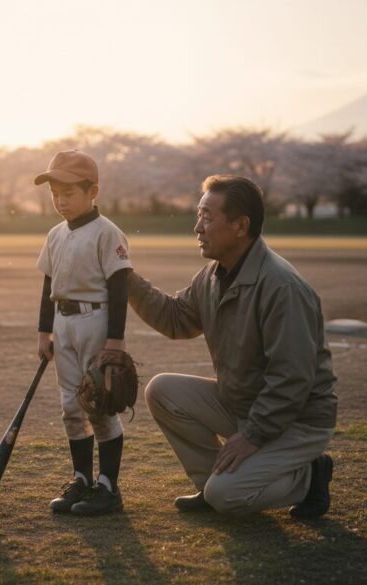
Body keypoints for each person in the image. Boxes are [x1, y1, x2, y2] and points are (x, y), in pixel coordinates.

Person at [128, 174, 338, 519]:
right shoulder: (212, 276)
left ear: (241, 226)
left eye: (207, 217)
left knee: (228, 496)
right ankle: (210, 485)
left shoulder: (281, 286)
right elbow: (176, 319)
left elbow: (291, 378)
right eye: (198, 215)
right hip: (243, 404)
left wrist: (253, 434)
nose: (197, 227)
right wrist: (126, 278)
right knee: (163, 390)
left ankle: (310, 475)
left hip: (297, 420)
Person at [34, 149, 133, 515]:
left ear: (93, 191)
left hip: (97, 320)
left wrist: (115, 342)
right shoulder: (55, 235)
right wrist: (44, 332)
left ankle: (108, 488)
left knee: (100, 404)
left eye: (69, 193)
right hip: (63, 322)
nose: (60, 200)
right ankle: (82, 480)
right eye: (54, 193)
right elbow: (48, 286)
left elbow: (120, 287)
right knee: (70, 406)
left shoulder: (107, 233)